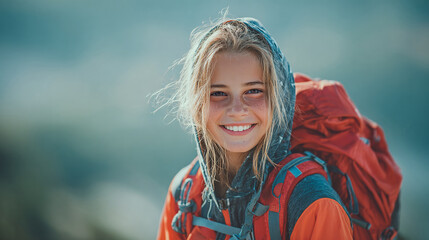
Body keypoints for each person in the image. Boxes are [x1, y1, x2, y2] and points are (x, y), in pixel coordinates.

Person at [156, 17, 353, 240]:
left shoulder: (312, 203)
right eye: (218, 93)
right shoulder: (184, 193)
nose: (237, 109)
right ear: (196, 103)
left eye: (254, 91)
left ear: (280, 99)